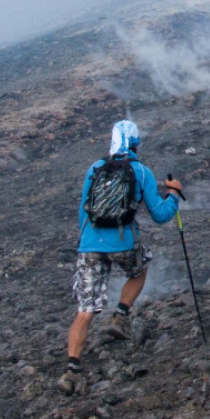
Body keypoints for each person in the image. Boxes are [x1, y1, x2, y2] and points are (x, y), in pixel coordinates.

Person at [58, 119, 179, 394]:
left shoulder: (95, 168)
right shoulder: (141, 171)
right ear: (135, 143)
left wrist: (90, 241)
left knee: (84, 311)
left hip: (89, 245)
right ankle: (120, 316)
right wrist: (173, 194)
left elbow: (83, 211)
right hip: (124, 241)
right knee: (139, 269)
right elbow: (160, 215)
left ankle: (71, 371)